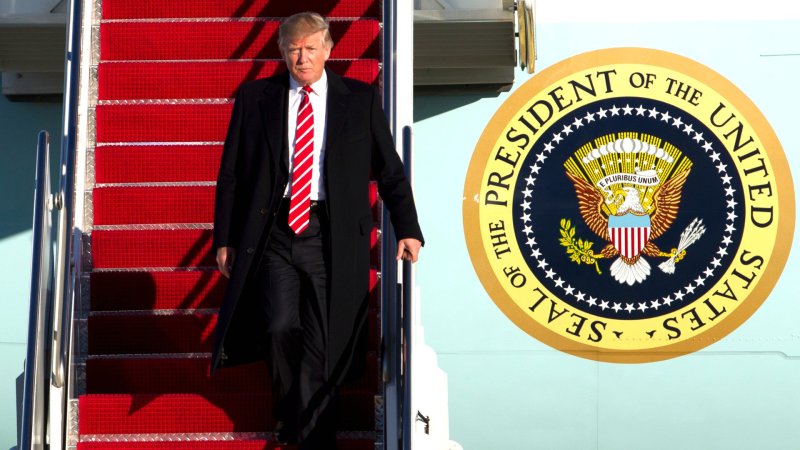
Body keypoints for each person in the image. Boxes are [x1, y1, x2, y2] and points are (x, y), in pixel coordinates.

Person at [210, 11, 423, 449]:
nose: (302, 58)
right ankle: (291, 409)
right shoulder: (256, 98)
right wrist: (225, 237)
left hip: (332, 233)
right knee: (278, 326)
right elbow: (231, 173)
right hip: (275, 230)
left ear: (328, 49)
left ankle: (312, 433)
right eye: (293, 49)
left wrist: (407, 227)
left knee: (322, 340)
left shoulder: (359, 99)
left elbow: (389, 170)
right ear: (282, 53)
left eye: (310, 48)